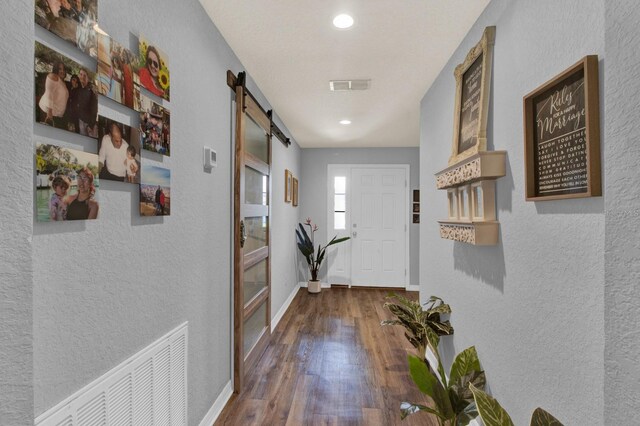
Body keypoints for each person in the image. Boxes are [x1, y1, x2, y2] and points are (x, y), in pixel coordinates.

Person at [38, 61, 69, 128]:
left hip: (58, 115)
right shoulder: (53, 76)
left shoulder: (62, 82)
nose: (62, 71)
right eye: (60, 69)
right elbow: (49, 93)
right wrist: (49, 113)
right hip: (49, 114)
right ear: (55, 69)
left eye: (63, 69)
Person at [72, 68, 97, 137]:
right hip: (81, 121)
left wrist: (91, 125)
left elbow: (94, 109)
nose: (82, 77)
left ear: (88, 78)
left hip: (90, 124)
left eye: (85, 75)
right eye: (81, 74)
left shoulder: (91, 89)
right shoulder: (78, 88)